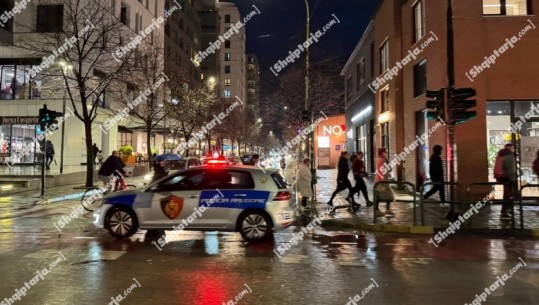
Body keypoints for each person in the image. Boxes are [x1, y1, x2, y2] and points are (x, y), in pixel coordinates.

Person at [494, 144, 517, 218]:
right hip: (507, 177)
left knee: (507, 194)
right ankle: (504, 211)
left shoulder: (500, 155)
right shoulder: (510, 157)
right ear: (510, 149)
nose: (514, 150)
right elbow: (511, 170)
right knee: (507, 195)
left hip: (500, 176)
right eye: (513, 148)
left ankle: (508, 209)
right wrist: (513, 181)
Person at [374, 148, 394, 216]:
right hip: (381, 181)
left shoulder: (383, 159)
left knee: (381, 196)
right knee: (389, 196)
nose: (386, 153)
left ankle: (385, 209)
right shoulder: (381, 160)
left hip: (382, 180)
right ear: (382, 153)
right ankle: (381, 210)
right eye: (385, 152)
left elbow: (390, 169)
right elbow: (382, 171)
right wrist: (383, 181)